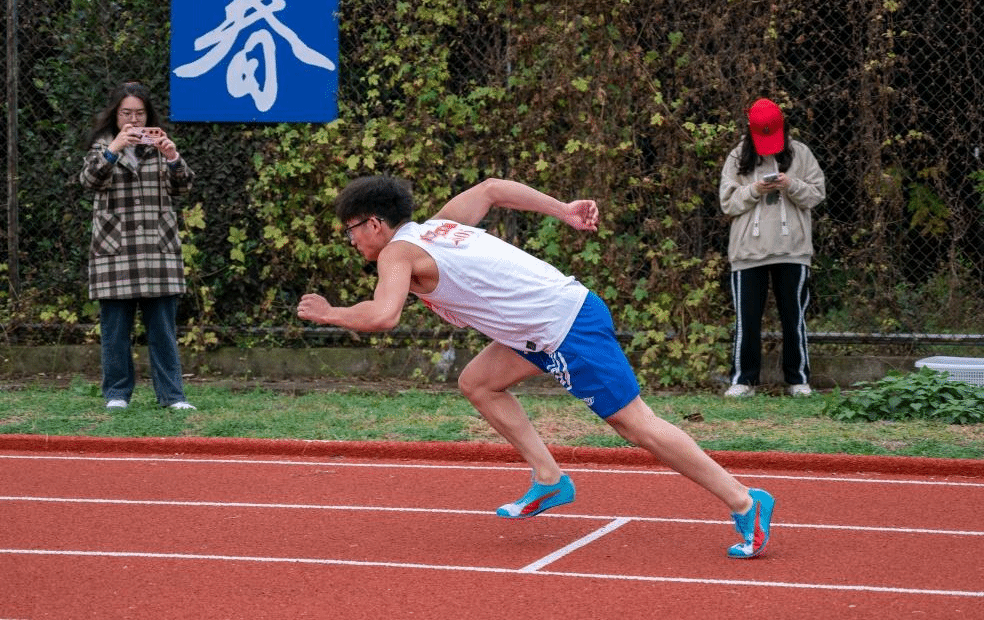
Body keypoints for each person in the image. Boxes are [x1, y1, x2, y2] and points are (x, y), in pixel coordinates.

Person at [297, 175, 775, 559]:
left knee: (636, 425)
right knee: (479, 383)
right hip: (535, 330)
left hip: (565, 326)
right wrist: (563, 209)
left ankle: (744, 500)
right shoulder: (437, 226)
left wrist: (330, 313)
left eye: (351, 229)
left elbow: (384, 315)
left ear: (375, 224)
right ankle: (549, 479)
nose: (350, 239)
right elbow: (491, 189)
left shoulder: (398, 252)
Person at [78, 81, 196, 411]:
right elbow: (89, 180)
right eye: (126, 113)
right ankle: (117, 394)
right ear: (115, 115)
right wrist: (114, 149)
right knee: (115, 331)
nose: (134, 120)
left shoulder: (158, 144)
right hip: (115, 251)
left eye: (140, 113)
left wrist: (172, 157)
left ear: (148, 115)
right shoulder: (101, 147)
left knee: (163, 331)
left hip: (158, 250)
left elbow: (184, 187)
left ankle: (173, 396)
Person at [720, 98, 826, 398]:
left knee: (793, 318)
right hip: (747, 251)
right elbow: (727, 203)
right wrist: (754, 189)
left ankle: (798, 380)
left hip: (793, 249)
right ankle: (743, 381)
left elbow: (817, 194)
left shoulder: (801, 153)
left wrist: (791, 185)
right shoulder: (737, 156)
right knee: (747, 320)